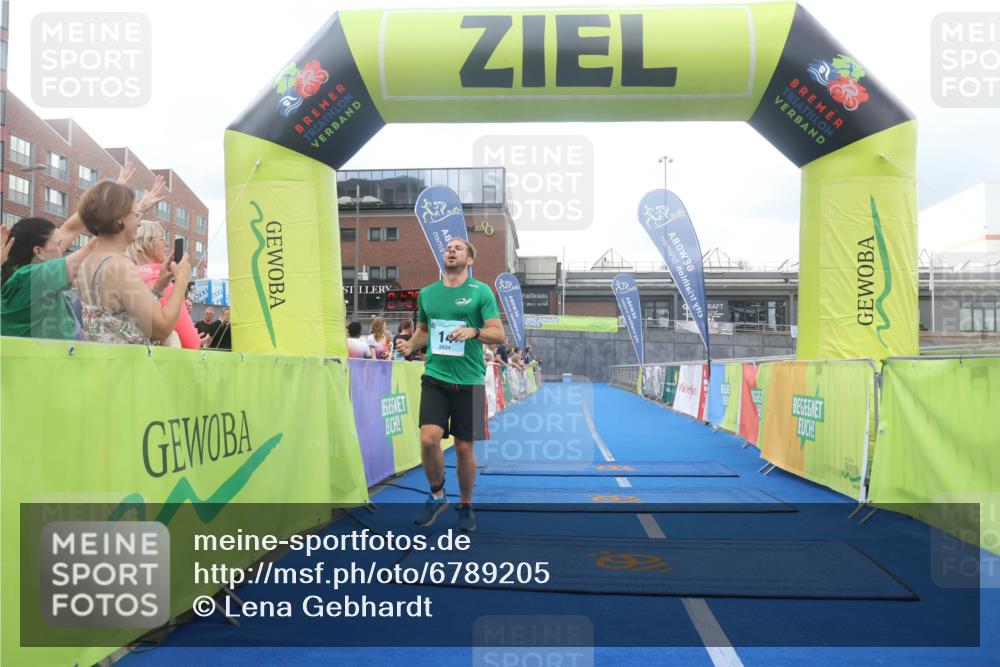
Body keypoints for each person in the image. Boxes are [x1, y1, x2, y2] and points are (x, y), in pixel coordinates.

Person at [395, 238, 503, 532]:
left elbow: (498, 334)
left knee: (464, 449)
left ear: (469, 260)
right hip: (435, 377)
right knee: (429, 440)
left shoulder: (480, 291)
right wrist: (410, 345)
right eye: (448, 248)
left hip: (470, 381)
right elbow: (424, 331)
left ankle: (466, 504)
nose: (451, 250)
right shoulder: (428, 294)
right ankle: (437, 493)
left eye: (458, 248)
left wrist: (474, 331)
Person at [73, 179, 191, 344]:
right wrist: (181, 282)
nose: (139, 223)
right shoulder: (119, 265)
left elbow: (117, 318)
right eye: (136, 215)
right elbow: (161, 329)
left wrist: (158, 287)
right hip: (127, 367)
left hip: (101, 365)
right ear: (120, 219)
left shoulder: (87, 263)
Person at [1, 218, 96, 339]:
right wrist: (115, 213)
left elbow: (70, 229)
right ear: (39, 251)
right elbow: (90, 248)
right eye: (58, 244)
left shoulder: (16, 275)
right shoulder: (33, 278)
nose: (63, 248)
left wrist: (95, 205)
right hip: (48, 357)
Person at [127, 220, 202, 348]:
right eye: (162, 239)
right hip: (151, 364)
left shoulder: (122, 278)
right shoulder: (168, 288)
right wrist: (181, 281)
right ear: (146, 244)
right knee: (172, 336)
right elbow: (192, 344)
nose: (166, 244)